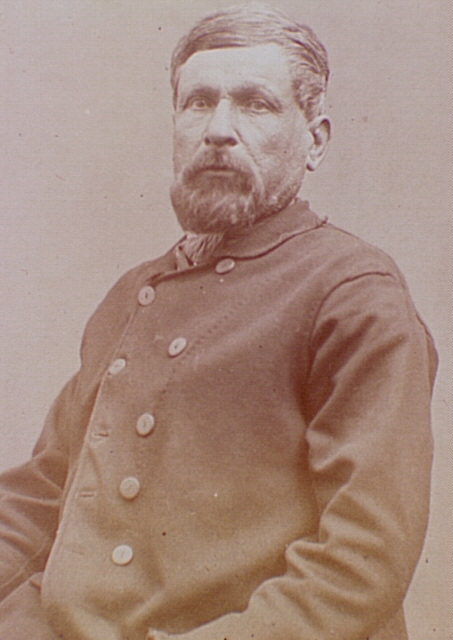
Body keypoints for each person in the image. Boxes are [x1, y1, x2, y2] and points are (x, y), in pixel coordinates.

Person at [0, 5, 437, 640]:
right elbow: (43, 493)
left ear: (314, 141)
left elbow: (359, 565)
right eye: (198, 102)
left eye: (255, 104)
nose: (218, 130)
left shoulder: (355, 295)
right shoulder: (130, 294)